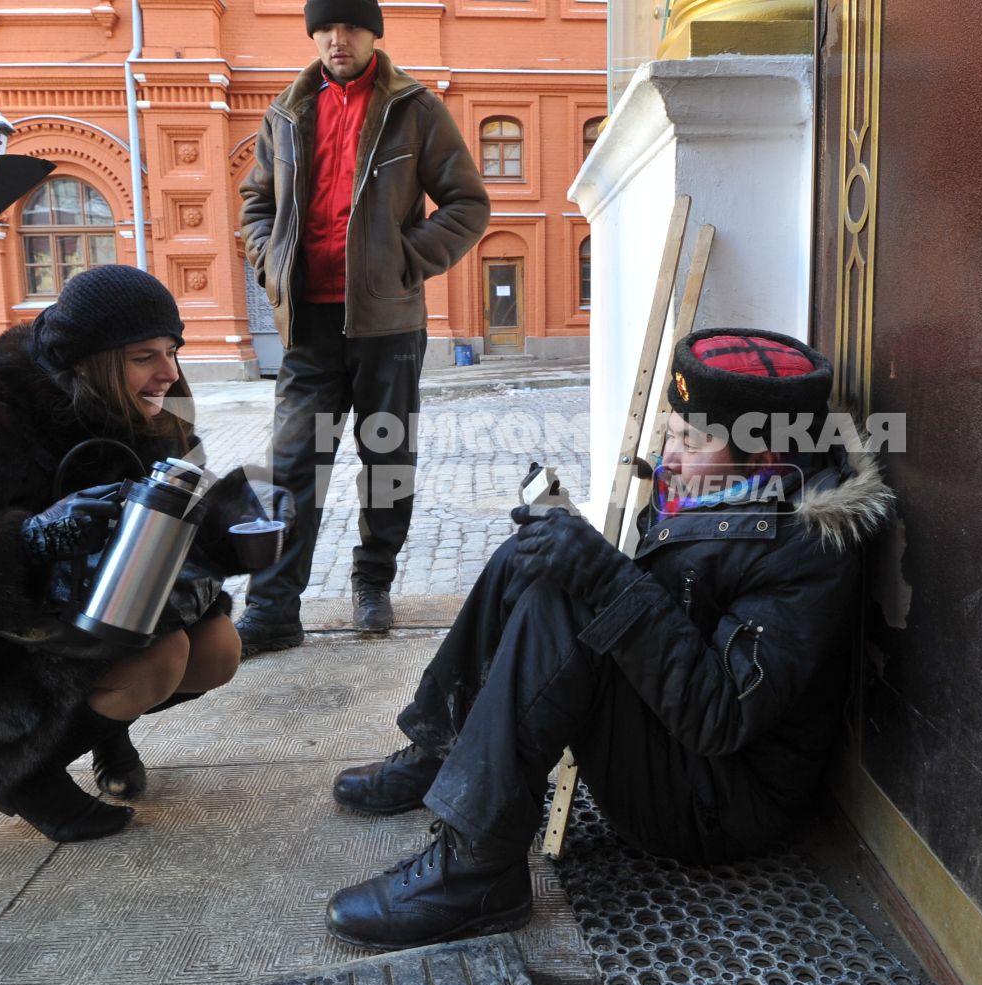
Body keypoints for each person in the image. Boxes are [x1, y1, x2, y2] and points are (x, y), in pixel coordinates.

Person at [322, 329, 895, 950]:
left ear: (762, 454)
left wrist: (605, 577)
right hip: (671, 739)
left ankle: (477, 870)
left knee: (568, 599)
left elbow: (722, 717)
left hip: (716, 801)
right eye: (671, 432)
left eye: (692, 440)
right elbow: (670, 610)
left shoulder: (810, 552)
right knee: (532, 555)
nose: (669, 457)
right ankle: (444, 749)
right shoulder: (720, 486)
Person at [0, 266, 279, 842]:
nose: (168, 373)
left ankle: (105, 724)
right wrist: (29, 541)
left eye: (173, 350)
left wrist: (228, 531)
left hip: (97, 616)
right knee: (163, 657)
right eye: (144, 356)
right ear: (87, 362)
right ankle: (17, 774)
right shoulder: (0, 426)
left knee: (217, 648)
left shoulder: (163, 406)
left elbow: (180, 517)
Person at [237, 0, 490, 654]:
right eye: (324, 28)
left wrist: (406, 260)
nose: (336, 39)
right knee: (294, 465)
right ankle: (272, 608)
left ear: (373, 33)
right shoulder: (286, 115)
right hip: (310, 327)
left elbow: (468, 204)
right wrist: (268, 261)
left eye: (348, 27)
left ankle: (373, 579)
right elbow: (255, 204)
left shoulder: (415, 109)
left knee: (387, 460)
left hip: (387, 325)